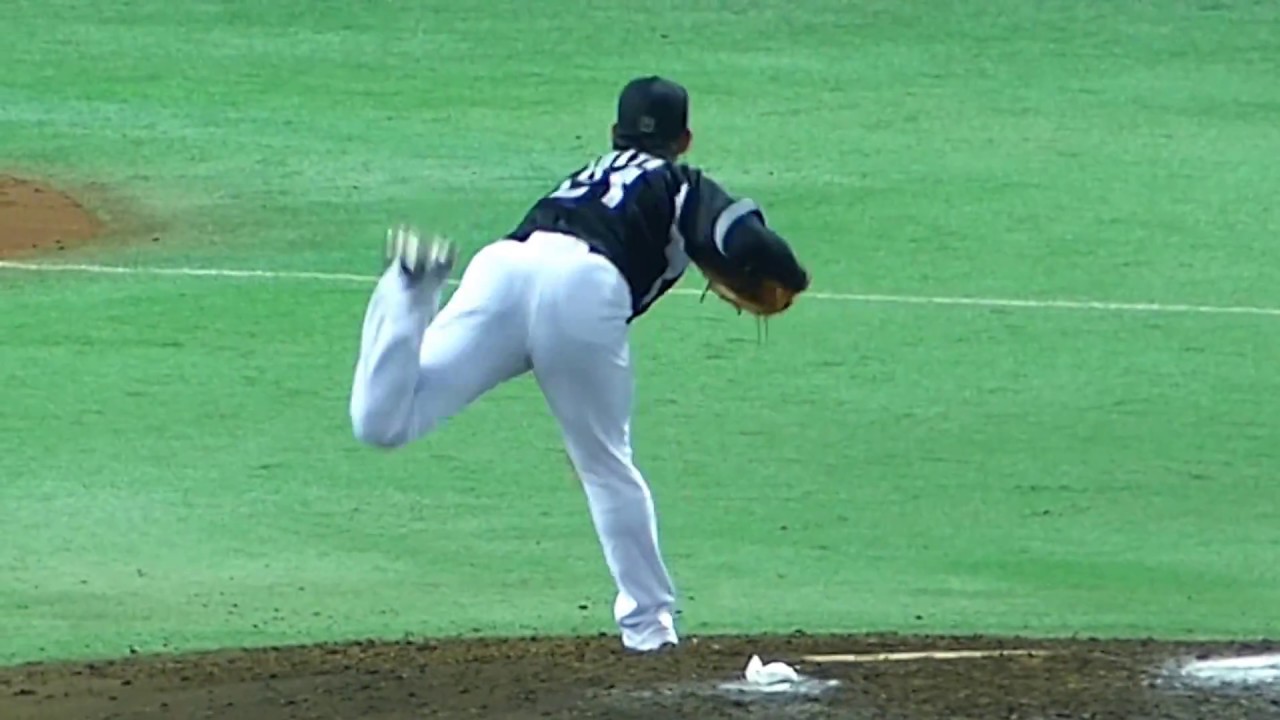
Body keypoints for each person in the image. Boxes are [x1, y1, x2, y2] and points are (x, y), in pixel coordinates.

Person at [348, 76, 809, 653]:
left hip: (505, 267)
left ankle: (410, 289)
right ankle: (648, 629)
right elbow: (751, 245)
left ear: (615, 132)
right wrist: (795, 280)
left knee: (383, 423)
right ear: (684, 139)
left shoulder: (583, 177)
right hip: (585, 288)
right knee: (605, 465)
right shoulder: (680, 183)